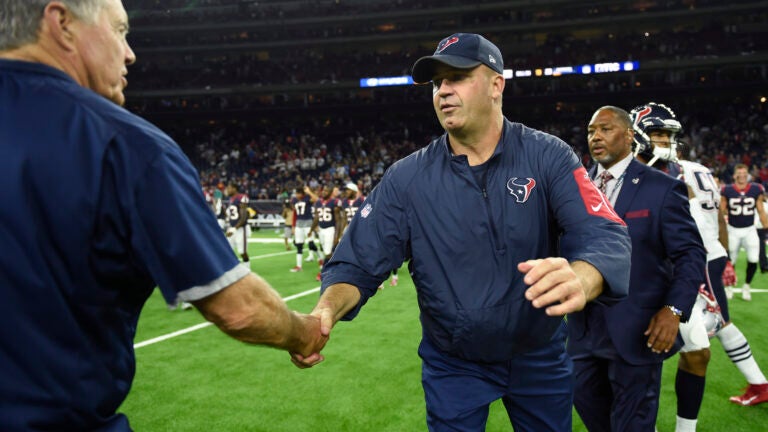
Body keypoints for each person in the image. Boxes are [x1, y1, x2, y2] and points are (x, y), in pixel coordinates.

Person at [0, 1, 326, 430]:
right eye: (119, 30)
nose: (130, 53)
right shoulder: (128, 146)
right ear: (62, 23)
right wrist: (304, 333)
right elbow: (239, 309)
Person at [293, 33, 632, 431]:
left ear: (496, 84)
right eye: (437, 83)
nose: (443, 91)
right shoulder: (407, 178)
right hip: (453, 363)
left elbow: (604, 231)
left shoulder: (548, 155)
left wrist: (583, 276)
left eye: (457, 77)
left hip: (538, 354)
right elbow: (357, 262)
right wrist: (326, 310)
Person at [568, 105, 706, 432]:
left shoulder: (661, 187)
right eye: (591, 131)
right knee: (593, 415)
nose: (596, 136)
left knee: (633, 425)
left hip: (637, 330)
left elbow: (690, 253)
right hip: (582, 331)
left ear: (629, 135)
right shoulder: (573, 187)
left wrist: (674, 310)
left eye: (606, 129)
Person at [634, 103, 768, 422]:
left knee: (704, 334)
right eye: (658, 134)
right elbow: (718, 217)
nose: (664, 141)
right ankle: (759, 383)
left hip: (692, 258)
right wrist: (725, 254)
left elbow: (688, 227)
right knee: (716, 326)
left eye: (667, 135)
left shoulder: (671, 174)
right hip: (707, 253)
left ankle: (759, 383)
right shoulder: (699, 168)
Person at [720, 163, 768, 301]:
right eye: (739, 173)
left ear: (748, 175)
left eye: (744, 173)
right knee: (731, 261)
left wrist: (766, 225)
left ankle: (746, 286)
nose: (741, 176)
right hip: (732, 229)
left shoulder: (756, 189)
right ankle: (729, 287)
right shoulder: (727, 190)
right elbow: (721, 211)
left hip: (750, 229)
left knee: (753, 259)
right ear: (734, 175)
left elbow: (760, 210)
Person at [310, 185, 346, 281]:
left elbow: (338, 220)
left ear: (330, 193)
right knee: (325, 251)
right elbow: (317, 217)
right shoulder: (318, 202)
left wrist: (337, 236)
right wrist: (311, 229)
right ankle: (334, 269)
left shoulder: (334, 202)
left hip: (330, 229)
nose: (324, 192)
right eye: (323, 190)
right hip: (321, 229)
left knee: (328, 252)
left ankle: (323, 273)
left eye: (326, 191)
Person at [289, 184, 318, 272]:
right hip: (299, 224)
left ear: (302, 194)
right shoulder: (294, 200)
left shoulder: (307, 198)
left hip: (308, 223)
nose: (296, 195)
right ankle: (299, 266)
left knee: (311, 244)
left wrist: (309, 192)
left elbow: (316, 200)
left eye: (298, 193)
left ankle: (321, 259)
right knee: (299, 245)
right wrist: (293, 226)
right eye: (296, 193)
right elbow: (294, 213)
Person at [224, 182, 251, 264]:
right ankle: (233, 265)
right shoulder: (231, 199)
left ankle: (247, 267)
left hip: (241, 228)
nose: (227, 190)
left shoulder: (241, 197)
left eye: (229, 188)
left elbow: (244, 217)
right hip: (233, 227)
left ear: (234, 189)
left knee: (242, 252)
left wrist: (234, 229)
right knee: (228, 250)